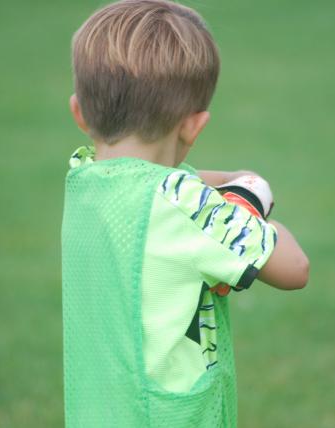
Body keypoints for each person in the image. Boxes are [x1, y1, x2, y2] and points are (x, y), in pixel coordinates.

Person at [61, 1, 309, 426]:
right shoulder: (184, 205)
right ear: (194, 126)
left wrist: (229, 178)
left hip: (100, 410)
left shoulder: (85, 177)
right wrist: (254, 206)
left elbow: (147, 178)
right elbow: (293, 268)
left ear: (79, 112)